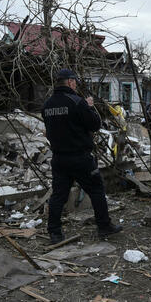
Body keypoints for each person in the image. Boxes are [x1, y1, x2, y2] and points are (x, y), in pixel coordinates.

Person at [41, 68, 123, 244]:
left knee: (58, 196)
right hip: (80, 158)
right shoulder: (77, 102)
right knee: (96, 190)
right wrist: (90, 107)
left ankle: (54, 233)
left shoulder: (47, 105)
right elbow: (95, 125)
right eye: (75, 82)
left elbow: (50, 130)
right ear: (70, 82)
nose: (76, 85)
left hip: (59, 158)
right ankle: (104, 226)